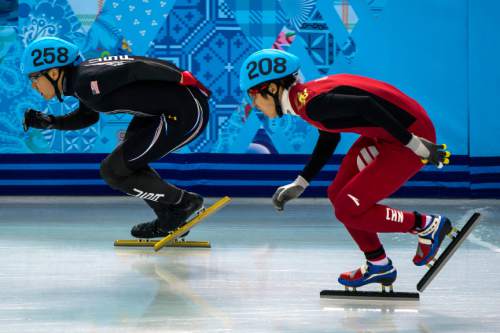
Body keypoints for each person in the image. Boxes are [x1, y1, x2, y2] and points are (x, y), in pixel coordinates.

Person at [240, 49, 451, 289]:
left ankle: (426, 225)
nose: (254, 105)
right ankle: (378, 264)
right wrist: (301, 183)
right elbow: (329, 136)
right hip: (388, 135)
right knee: (337, 192)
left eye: (253, 96)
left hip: (409, 138)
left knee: (347, 209)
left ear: (273, 88)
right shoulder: (305, 99)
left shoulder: (312, 104)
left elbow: (367, 105)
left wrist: (414, 144)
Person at [21, 36, 211, 239]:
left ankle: (183, 203)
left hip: (185, 112)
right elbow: (88, 116)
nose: (33, 85)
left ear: (53, 72)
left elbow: (137, 68)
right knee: (125, 164)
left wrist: (182, 77)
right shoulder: (81, 81)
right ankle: (169, 217)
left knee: (112, 170)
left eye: (34, 77)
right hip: (164, 111)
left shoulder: (85, 81)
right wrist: (51, 121)